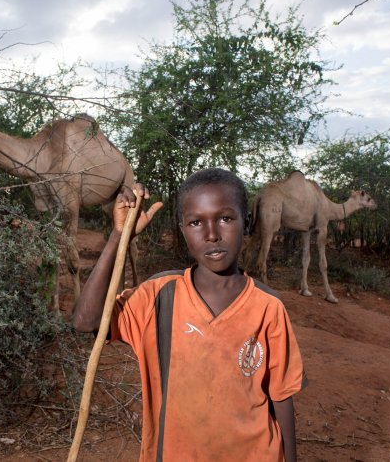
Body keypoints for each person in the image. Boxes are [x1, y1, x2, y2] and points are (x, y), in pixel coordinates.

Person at [73, 168, 306, 462]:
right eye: (196, 222)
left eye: (225, 218)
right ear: (182, 230)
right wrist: (118, 237)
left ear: (246, 223)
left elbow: (281, 395)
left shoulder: (268, 307)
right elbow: (85, 321)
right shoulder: (158, 297)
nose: (211, 235)